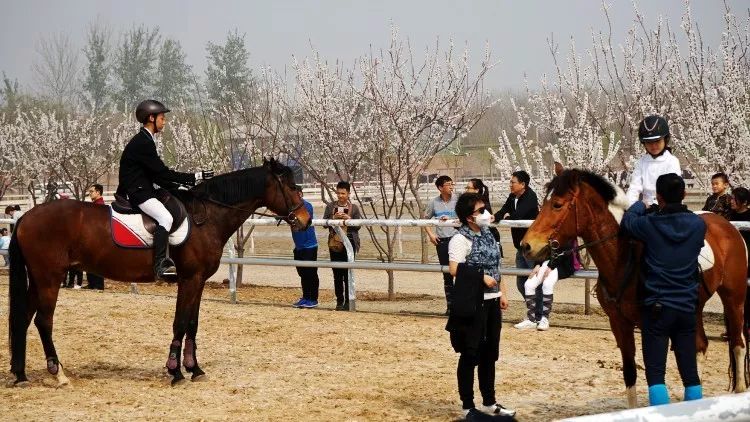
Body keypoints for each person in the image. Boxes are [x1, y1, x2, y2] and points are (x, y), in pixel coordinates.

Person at [621, 173, 705, 406]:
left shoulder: (650, 224)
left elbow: (628, 222)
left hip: (657, 308)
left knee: (656, 374)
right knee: (690, 374)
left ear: (659, 197)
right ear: (684, 194)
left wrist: (640, 204)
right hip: (687, 307)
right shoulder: (699, 225)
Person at [117, 99, 213, 279]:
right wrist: (195, 177)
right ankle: (160, 265)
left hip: (145, 188)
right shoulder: (143, 143)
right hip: (139, 193)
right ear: (151, 118)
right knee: (165, 218)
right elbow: (162, 173)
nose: (165, 121)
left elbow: (157, 176)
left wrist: (181, 185)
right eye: (162, 117)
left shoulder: (146, 139)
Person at [446, 192, 515, 421]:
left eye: (485, 209)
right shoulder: (460, 239)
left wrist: (502, 293)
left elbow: (497, 264)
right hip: (473, 304)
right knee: (470, 353)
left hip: (492, 301)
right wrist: (481, 276)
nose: (486, 214)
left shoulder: (489, 235)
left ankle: (489, 401)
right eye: (480, 210)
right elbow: (455, 269)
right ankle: (468, 405)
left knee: (489, 354)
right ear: (469, 217)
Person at [493, 171, 540, 329]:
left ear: (522, 184)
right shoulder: (513, 196)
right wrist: (496, 217)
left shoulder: (530, 197)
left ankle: (537, 316)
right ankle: (533, 313)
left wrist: (506, 219)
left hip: (531, 247)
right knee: (521, 282)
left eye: (513, 182)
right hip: (520, 247)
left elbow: (519, 215)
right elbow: (504, 209)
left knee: (534, 281)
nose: (510, 184)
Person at [517, 242, 581, 331]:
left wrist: (551, 266)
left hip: (562, 263)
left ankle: (545, 319)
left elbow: (565, 250)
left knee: (547, 284)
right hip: (547, 262)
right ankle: (531, 319)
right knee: (529, 285)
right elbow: (542, 247)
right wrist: (538, 264)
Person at [626, 115, 681, 207]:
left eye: (657, 141)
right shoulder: (641, 162)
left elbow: (674, 191)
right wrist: (629, 207)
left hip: (667, 208)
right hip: (646, 207)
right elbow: (634, 188)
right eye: (649, 143)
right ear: (644, 143)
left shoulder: (672, 161)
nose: (654, 146)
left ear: (665, 140)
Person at [323, 181, 362, 310]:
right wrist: (333, 218)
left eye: (343, 193)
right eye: (338, 193)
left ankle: (348, 302)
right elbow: (324, 223)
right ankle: (339, 302)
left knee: (348, 274)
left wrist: (348, 219)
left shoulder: (354, 208)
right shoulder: (330, 207)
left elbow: (358, 225)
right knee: (337, 274)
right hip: (335, 243)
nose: (340, 196)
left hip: (350, 243)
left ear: (348, 194)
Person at [425, 175, 458, 315]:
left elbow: (466, 217)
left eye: (452, 184)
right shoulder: (434, 203)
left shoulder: (458, 200)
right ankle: (450, 306)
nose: (451, 186)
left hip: (457, 240)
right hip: (442, 242)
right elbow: (425, 220)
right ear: (440, 188)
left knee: (461, 272)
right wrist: (431, 234)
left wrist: (452, 219)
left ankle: (461, 304)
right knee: (447, 274)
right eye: (448, 184)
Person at [290, 185, 320, 309]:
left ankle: (313, 298)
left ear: (301, 194)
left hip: (309, 246)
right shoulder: (290, 208)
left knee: (311, 273)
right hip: (299, 246)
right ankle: (305, 296)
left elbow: (300, 220)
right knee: (302, 273)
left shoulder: (307, 206)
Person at [728, 187, 750, 338]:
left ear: (745, 202)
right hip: (734, 260)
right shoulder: (730, 215)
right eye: (731, 198)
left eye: (734, 199)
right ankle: (733, 327)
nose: (731, 201)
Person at [465, 178, 501, 248]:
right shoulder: (471, 203)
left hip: (489, 237)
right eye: (466, 188)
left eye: (469, 188)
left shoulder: (481, 204)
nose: (466, 190)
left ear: (476, 190)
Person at [85, 184, 106, 290]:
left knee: (96, 261)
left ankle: (98, 285)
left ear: (98, 192)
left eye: (92, 191)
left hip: (98, 238)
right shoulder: (95, 205)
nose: (90, 193)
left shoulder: (100, 205)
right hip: (93, 237)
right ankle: (92, 283)